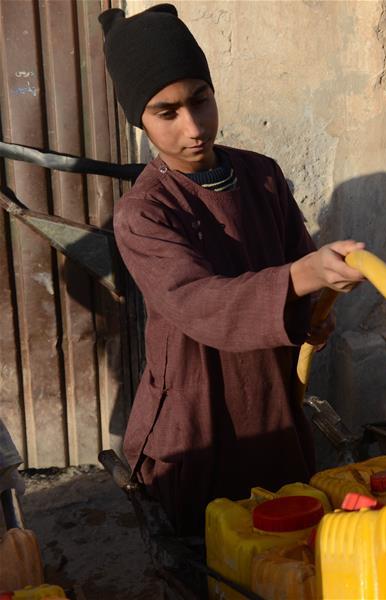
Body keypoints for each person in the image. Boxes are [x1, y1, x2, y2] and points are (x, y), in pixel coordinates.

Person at [99, 3, 365, 534]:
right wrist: (302, 278)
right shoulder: (143, 212)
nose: (194, 128)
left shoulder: (261, 175)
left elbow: (296, 261)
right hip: (198, 415)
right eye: (166, 113)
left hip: (274, 401)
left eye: (201, 101)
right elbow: (199, 304)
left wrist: (313, 308)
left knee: (288, 548)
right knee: (211, 552)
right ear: (140, 120)